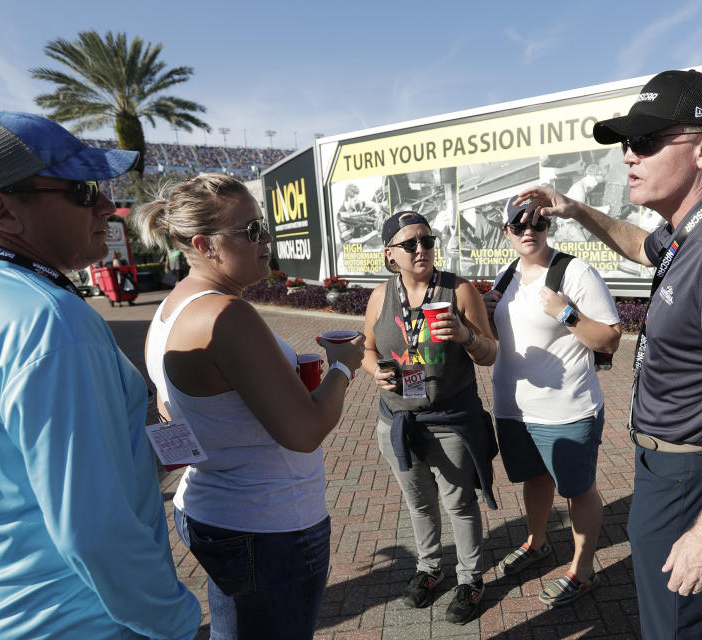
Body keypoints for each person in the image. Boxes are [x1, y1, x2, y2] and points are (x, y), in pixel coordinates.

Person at [513, 70, 702, 639]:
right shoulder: (692, 227)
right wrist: (573, 209)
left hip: (687, 470)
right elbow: (642, 246)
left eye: (644, 142)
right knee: (680, 617)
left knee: (676, 625)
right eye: (625, 144)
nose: (628, 156)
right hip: (663, 464)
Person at [0, 111, 201, 639]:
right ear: (1, 210)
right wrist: (173, 621)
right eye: (83, 191)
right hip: (68, 620)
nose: (108, 207)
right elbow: (96, 530)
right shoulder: (48, 321)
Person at [134, 173, 365, 640]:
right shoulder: (226, 315)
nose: (267, 240)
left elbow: (167, 403)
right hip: (268, 524)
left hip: (212, 509)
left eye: (264, 227)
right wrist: (342, 367)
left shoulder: (171, 308)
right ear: (205, 244)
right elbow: (304, 433)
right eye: (253, 231)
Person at [360, 210, 499, 625]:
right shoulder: (381, 297)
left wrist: (466, 336)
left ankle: (471, 580)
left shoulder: (458, 290)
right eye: (410, 244)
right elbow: (366, 348)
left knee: (459, 503)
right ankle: (429, 568)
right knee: (418, 503)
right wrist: (376, 372)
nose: (421, 249)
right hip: (397, 423)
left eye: (427, 240)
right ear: (390, 254)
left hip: (449, 420)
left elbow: (491, 353)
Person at [483, 196, 621, 605]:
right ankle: (536, 542)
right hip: (515, 410)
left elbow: (611, 340)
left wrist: (568, 315)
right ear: (506, 231)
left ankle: (582, 570)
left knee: (578, 491)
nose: (529, 231)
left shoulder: (573, 272)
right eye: (519, 224)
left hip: (567, 411)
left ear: (549, 226)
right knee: (535, 479)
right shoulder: (505, 276)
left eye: (538, 223)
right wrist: (487, 311)